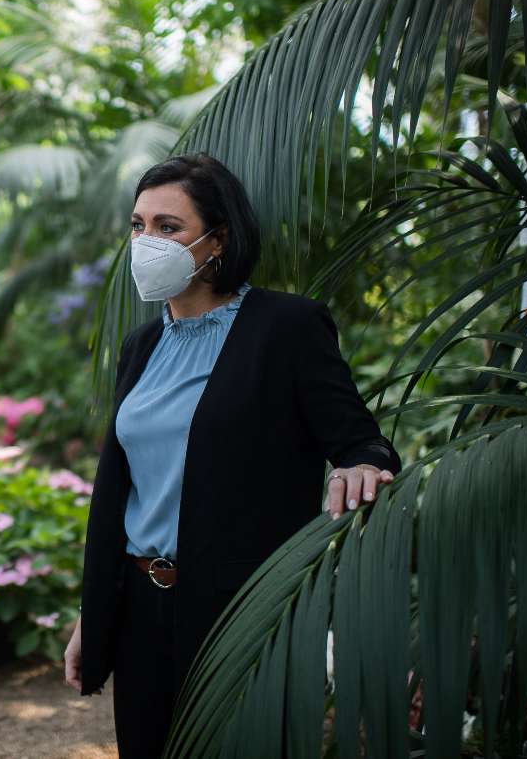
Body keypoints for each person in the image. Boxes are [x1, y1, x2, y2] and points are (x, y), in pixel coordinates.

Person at [62, 155, 401, 758]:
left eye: (168, 227)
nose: (146, 242)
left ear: (218, 239)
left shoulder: (286, 326)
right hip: (142, 605)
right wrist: (97, 611)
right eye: (138, 226)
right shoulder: (141, 346)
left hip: (240, 612)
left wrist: (362, 462)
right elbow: (126, 490)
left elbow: (356, 438)